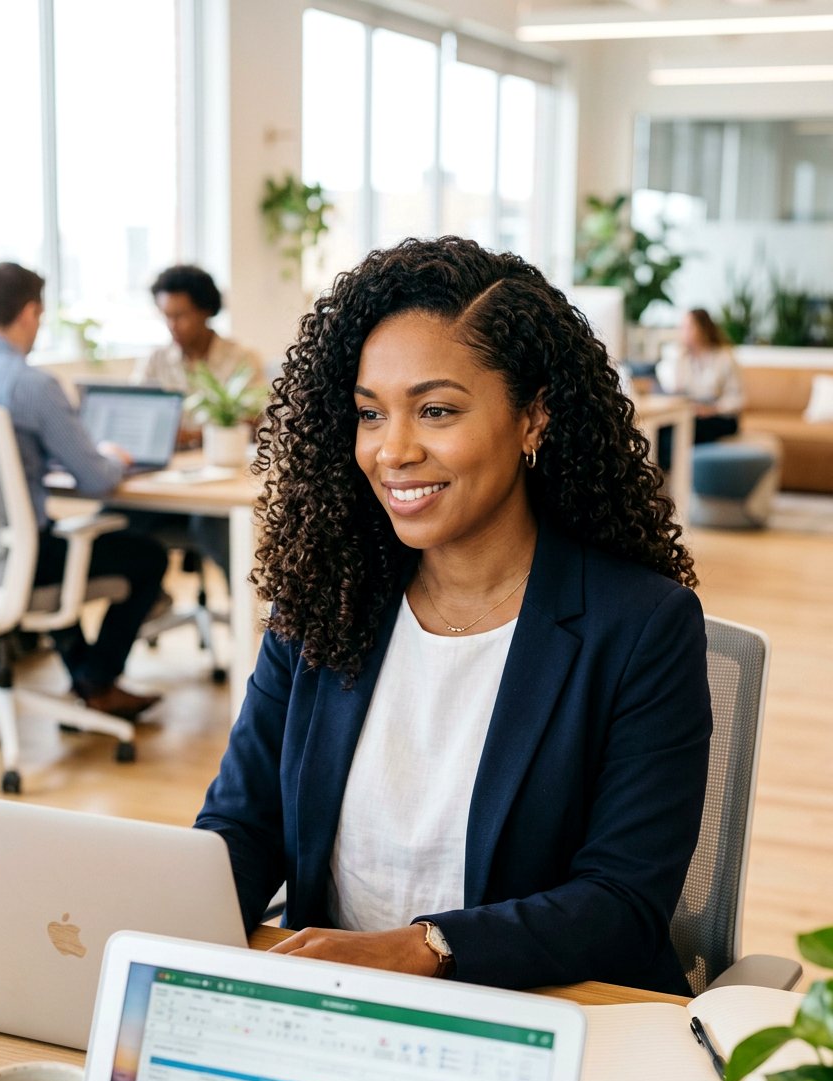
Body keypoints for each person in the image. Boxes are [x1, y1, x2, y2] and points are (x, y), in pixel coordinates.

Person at [196, 237, 713, 995]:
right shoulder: (325, 599)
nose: (393, 450)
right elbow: (243, 827)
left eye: (436, 410)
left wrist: (422, 949)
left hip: (544, 1013)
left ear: (533, 419)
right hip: (330, 1007)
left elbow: (621, 902)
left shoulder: (641, 626)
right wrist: (174, 927)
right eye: (370, 414)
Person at [0, 262, 166, 719]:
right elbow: (98, 479)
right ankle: (97, 681)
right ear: (30, 313)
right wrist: (112, 456)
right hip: (22, 563)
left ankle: (88, 679)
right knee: (147, 557)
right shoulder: (32, 385)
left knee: (56, 545)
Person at [132, 264, 267, 578]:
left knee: (213, 525)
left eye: (180, 315)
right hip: (165, 486)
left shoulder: (241, 357)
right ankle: (149, 596)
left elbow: (252, 421)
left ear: (205, 310)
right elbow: (140, 419)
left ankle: (248, 603)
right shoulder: (155, 361)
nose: (172, 326)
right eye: (166, 316)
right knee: (118, 519)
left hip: (220, 485)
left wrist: (187, 435)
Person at [655, 308, 745, 469]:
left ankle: (677, 474)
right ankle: (664, 475)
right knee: (662, 429)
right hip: (694, 412)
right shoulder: (683, 358)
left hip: (720, 416)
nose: (683, 332)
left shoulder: (724, 357)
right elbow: (675, 389)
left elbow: (738, 399)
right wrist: (677, 359)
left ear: (703, 329)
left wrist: (713, 409)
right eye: (682, 327)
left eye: (688, 327)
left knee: (681, 432)